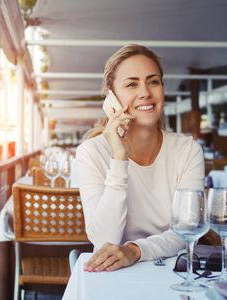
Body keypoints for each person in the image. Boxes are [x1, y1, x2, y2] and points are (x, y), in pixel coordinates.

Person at [76, 44, 205, 273]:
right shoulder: (91, 153)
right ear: (111, 98)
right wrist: (119, 158)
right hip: (114, 276)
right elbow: (104, 239)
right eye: (132, 84)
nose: (145, 92)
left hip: (175, 271)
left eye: (153, 81)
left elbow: (187, 229)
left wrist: (136, 250)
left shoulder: (188, 150)